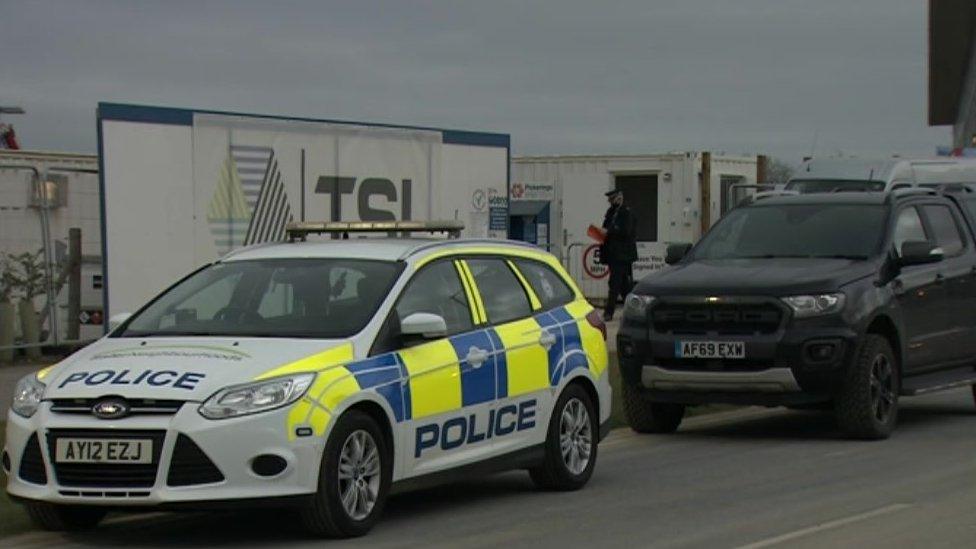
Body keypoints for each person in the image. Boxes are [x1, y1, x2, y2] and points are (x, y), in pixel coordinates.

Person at [599, 189, 637, 320]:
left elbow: (625, 231)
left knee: (614, 283)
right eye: (610, 199)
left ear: (619, 198)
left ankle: (609, 312)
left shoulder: (626, 212)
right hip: (612, 254)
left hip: (622, 255)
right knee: (623, 285)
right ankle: (634, 309)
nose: (610, 201)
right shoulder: (611, 212)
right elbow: (606, 226)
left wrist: (609, 231)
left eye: (612, 199)